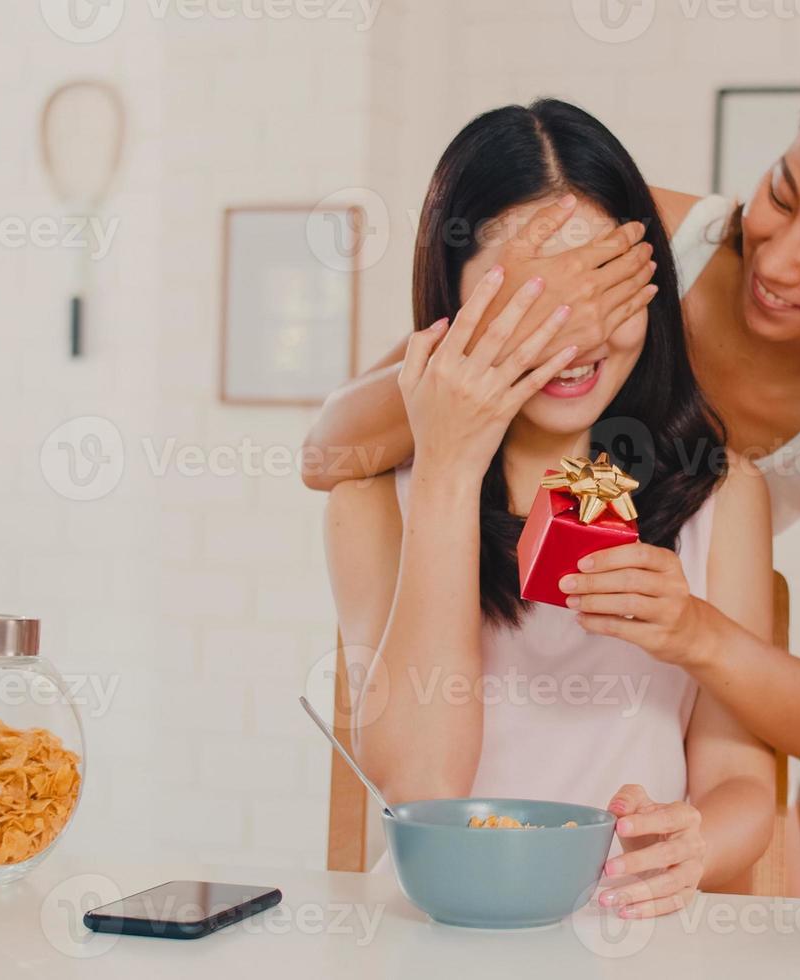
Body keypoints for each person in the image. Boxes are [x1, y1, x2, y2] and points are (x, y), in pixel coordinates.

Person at [310, 44, 800, 894]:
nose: (777, 262)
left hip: (689, 687)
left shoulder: (761, 485)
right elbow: (329, 453)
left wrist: (697, 634)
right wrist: (459, 423)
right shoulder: (647, 238)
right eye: (778, 194)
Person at [324, 99, 777, 919]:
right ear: (452, 308)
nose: (568, 338)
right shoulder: (374, 500)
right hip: (438, 938)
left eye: (600, 288)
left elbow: (741, 783)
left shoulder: (721, 496)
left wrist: (697, 840)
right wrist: (449, 470)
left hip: (630, 937)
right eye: (525, 300)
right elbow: (422, 786)